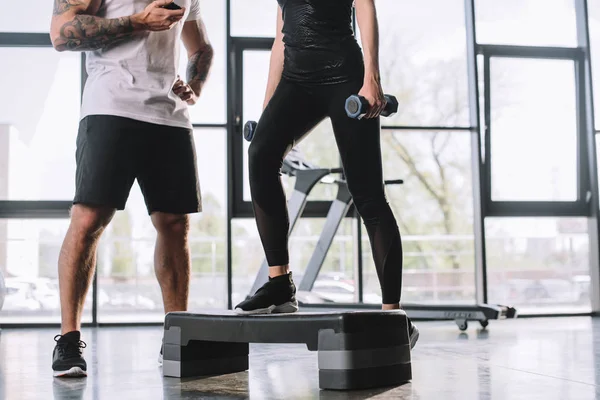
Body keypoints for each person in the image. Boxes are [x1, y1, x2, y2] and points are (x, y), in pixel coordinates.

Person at [234, 0, 419, 348]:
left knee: (367, 194)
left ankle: (394, 315)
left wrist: (371, 77)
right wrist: (267, 108)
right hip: (295, 80)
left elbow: (364, 4)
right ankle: (279, 285)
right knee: (260, 154)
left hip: (343, 75)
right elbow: (281, 40)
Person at [49, 0, 213, 377]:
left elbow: (201, 47)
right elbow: (61, 33)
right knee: (89, 218)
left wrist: (195, 85)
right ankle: (69, 339)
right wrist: (139, 20)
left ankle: (178, 335)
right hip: (110, 104)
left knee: (175, 224)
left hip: (169, 115)